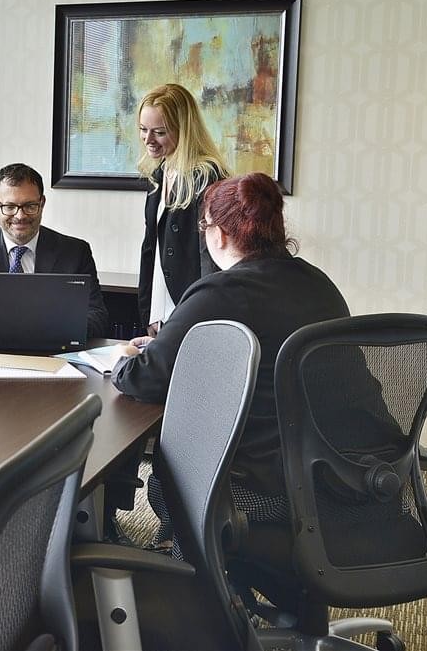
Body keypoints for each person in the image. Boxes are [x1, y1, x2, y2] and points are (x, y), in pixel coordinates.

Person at [113, 173, 361, 550]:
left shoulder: (222, 291)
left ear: (221, 234)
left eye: (205, 225)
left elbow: (144, 379)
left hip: (261, 491)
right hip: (339, 476)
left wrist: (126, 355)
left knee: (166, 478)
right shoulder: (319, 284)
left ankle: (199, 584)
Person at [0, 163, 110, 338]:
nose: (20, 216)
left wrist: (42, 325)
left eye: (30, 206)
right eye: (9, 207)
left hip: (52, 352)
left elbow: (96, 316)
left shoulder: (75, 252)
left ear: (42, 203)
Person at [135, 83, 229, 337]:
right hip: (162, 310)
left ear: (184, 131)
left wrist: (199, 319)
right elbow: (152, 251)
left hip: (191, 310)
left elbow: (210, 256)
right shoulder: (159, 174)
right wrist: (151, 312)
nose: (148, 140)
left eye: (160, 132)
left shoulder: (207, 176)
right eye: (143, 130)